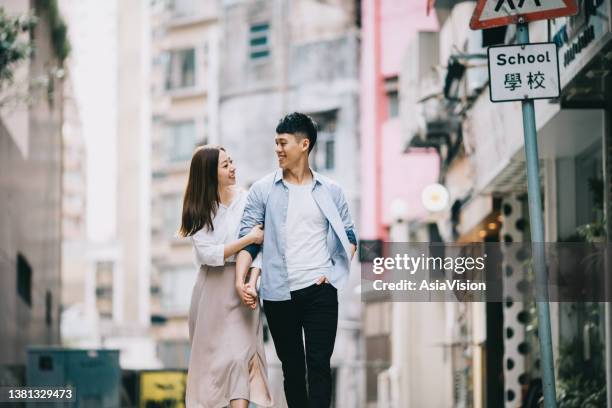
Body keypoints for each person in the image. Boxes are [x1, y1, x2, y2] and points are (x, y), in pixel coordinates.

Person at [234, 113, 358, 408]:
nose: (277, 149)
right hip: (278, 291)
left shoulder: (331, 190)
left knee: (319, 365)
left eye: (283, 143)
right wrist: (241, 280)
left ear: (304, 144)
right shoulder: (263, 190)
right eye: (275, 143)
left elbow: (349, 237)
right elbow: (249, 240)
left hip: (320, 290)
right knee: (292, 368)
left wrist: (333, 273)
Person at [180, 145, 273, 408]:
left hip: (242, 288)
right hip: (210, 291)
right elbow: (208, 253)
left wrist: (251, 283)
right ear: (210, 174)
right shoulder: (198, 209)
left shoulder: (248, 199)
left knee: (239, 358)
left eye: (231, 161)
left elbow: (259, 248)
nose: (232, 168)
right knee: (213, 364)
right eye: (225, 165)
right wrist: (248, 238)